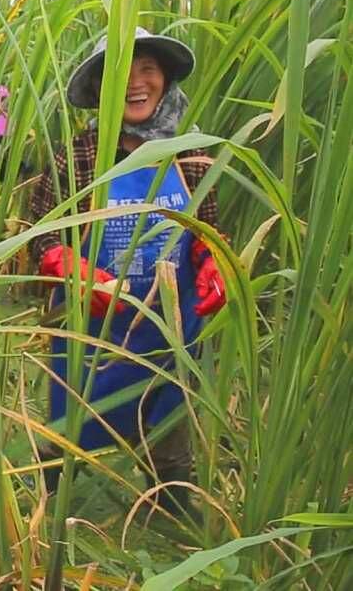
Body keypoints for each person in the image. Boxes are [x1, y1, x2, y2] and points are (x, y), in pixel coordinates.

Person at [29, 26, 227, 516]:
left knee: (168, 420)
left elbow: (209, 231)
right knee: (70, 417)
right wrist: (68, 265)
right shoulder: (78, 155)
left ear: (164, 80)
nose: (137, 83)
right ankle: (49, 515)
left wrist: (213, 265)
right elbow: (41, 234)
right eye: (121, 72)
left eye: (148, 69)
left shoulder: (192, 153)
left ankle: (172, 508)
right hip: (90, 324)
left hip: (169, 323)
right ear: (100, 88)